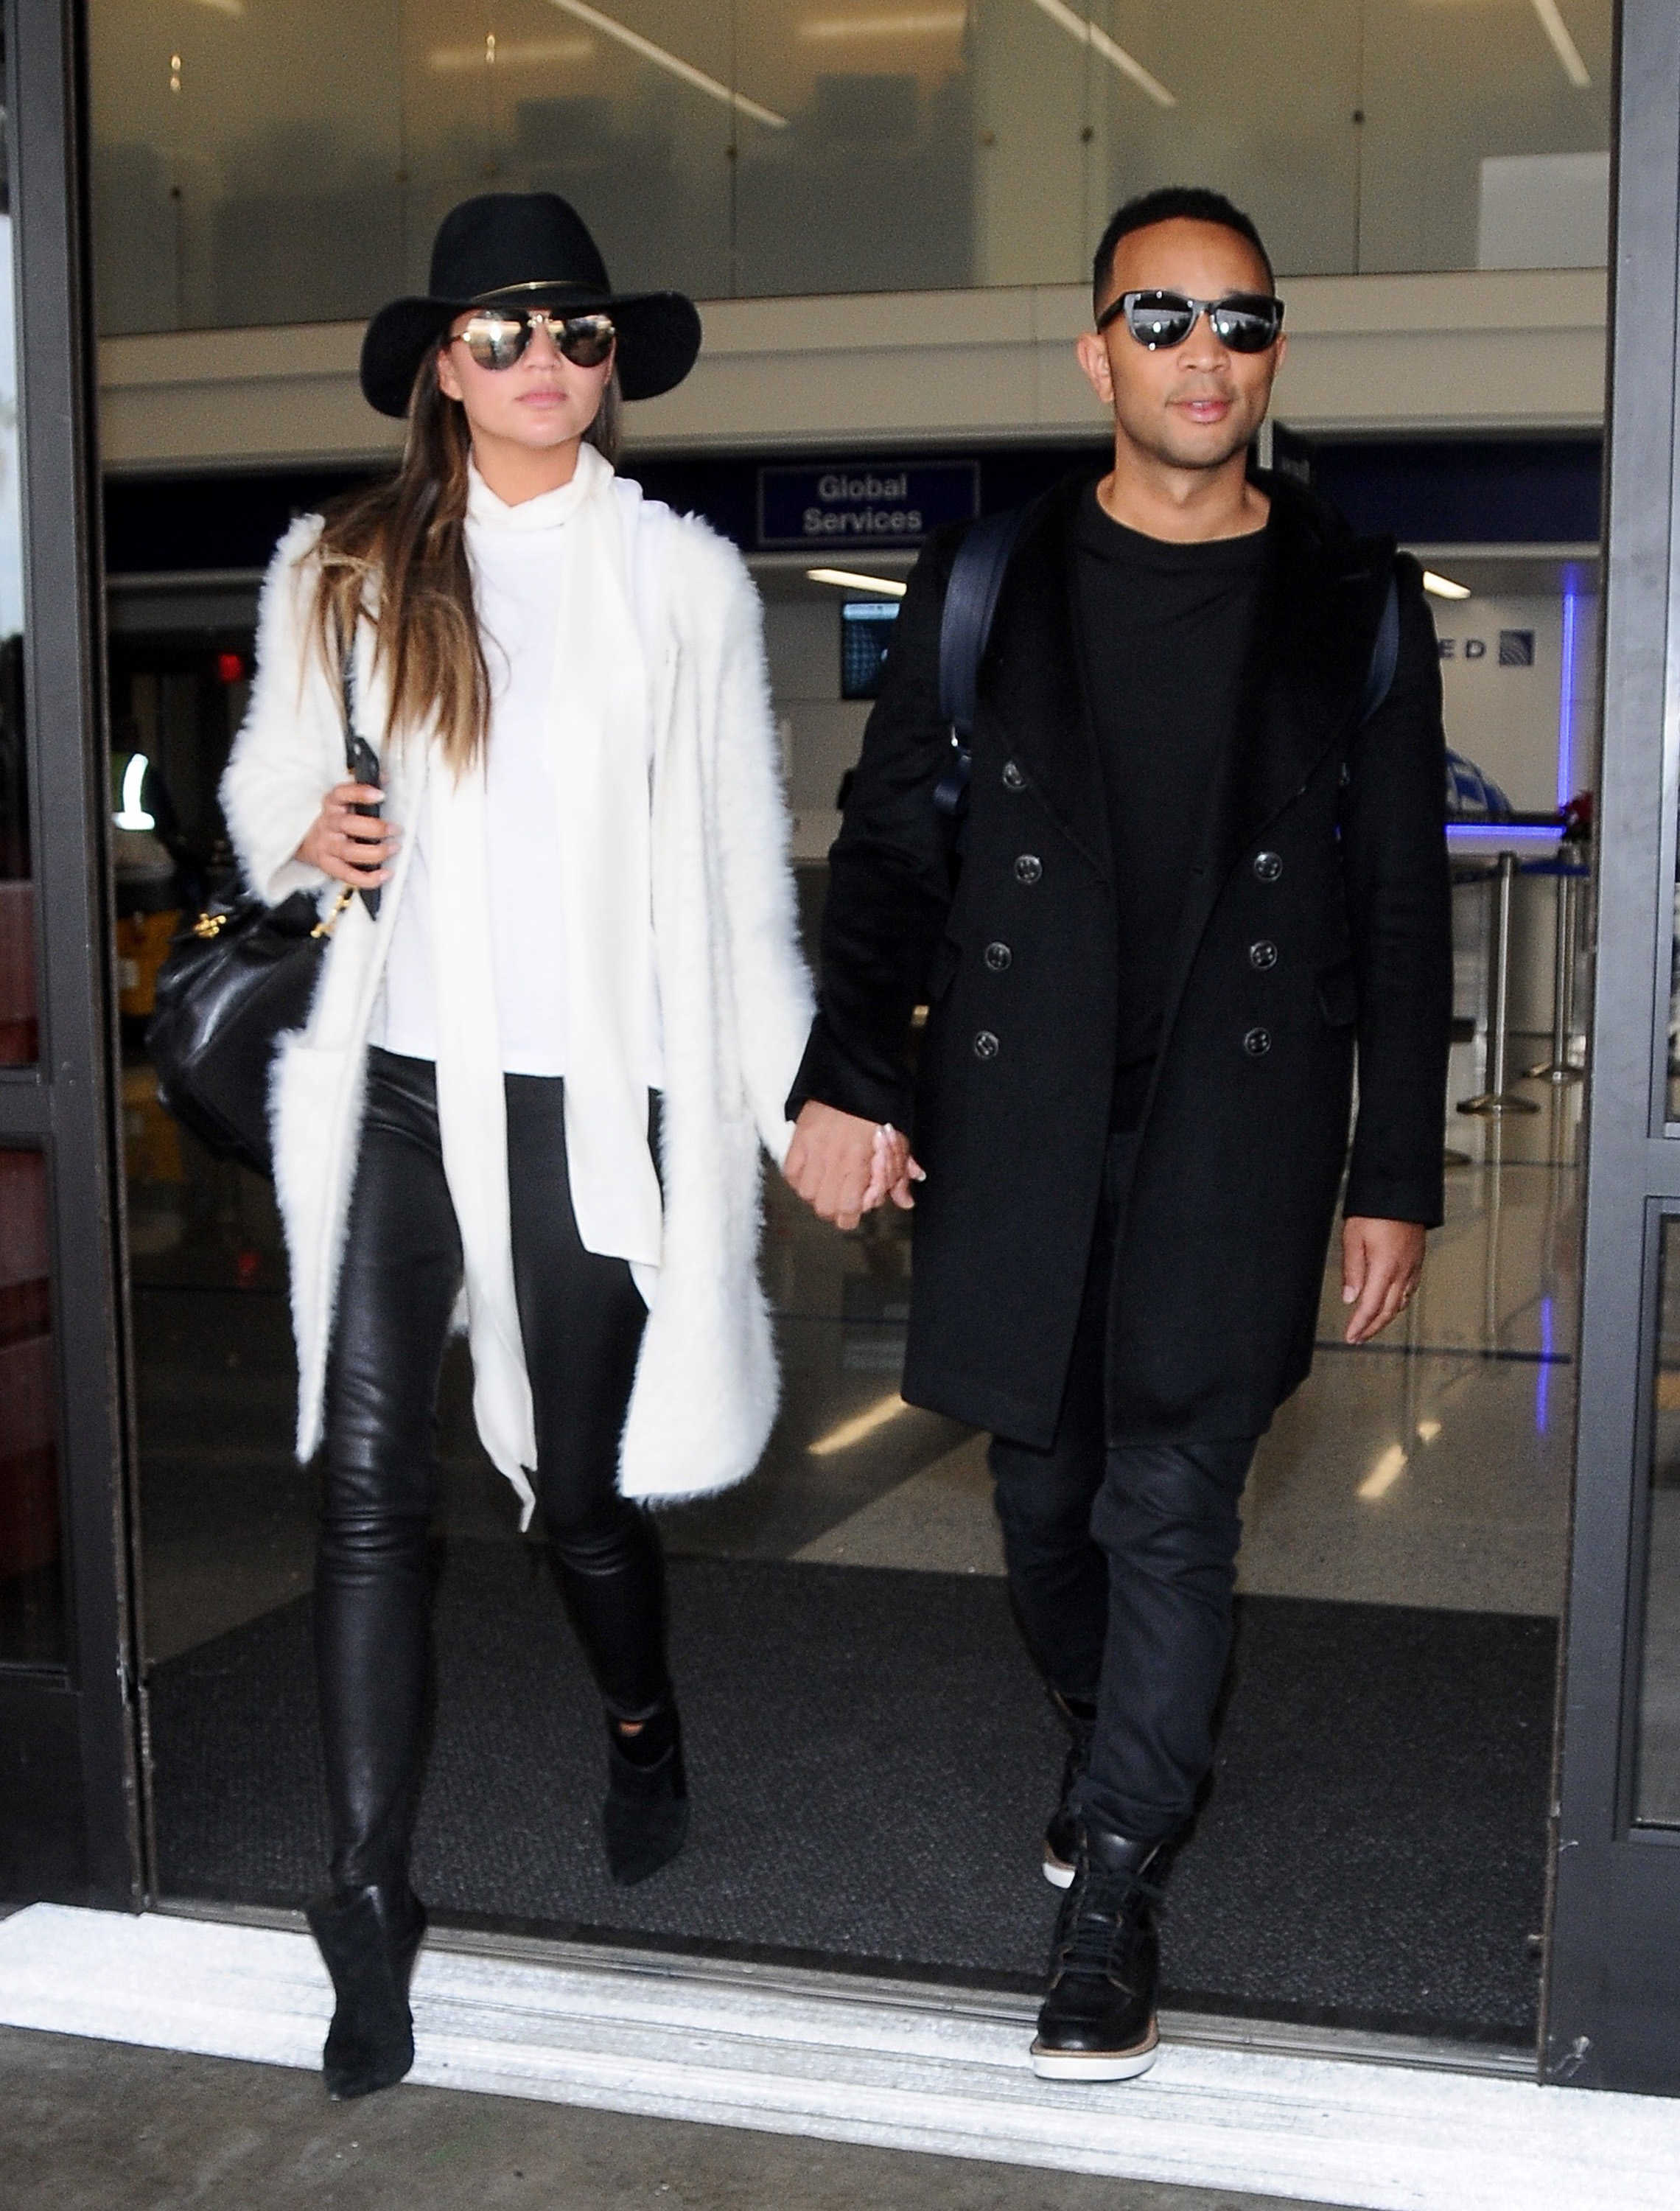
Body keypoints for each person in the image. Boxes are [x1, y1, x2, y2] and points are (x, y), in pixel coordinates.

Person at [783, 186, 1450, 2081]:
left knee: (1175, 1502)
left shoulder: (1357, 600)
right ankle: (1110, 1737)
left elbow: (1404, 909)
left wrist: (1391, 1172)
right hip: (1023, 1111)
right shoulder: (987, 580)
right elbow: (896, 848)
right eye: (1160, 319)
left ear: (1276, 354)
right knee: (1044, 1503)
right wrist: (853, 1074)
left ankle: (1116, 1904)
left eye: (1239, 321)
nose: (1202, 354)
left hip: (1236, 1126)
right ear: (1096, 353)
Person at [220, 192, 812, 2100]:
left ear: (612, 362)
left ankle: (640, 1720)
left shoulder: (685, 585)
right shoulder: (348, 567)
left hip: (596, 1102)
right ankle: (368, 1905)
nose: (542, 361)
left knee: (575, 1495)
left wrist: (801, 1101)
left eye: (575, 333)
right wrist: (302, 833)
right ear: (439, 369)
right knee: (369, 1497)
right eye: (500, 334)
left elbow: (737, 888)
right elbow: (262, 800)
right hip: (399, 1084)